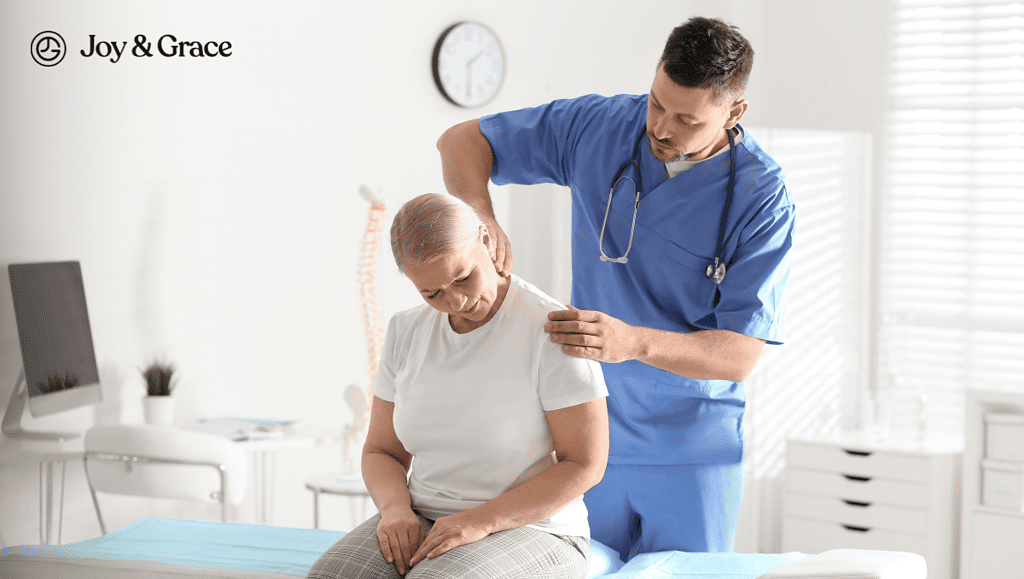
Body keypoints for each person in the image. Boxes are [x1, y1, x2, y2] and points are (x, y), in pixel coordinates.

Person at [436, 16, 795, 559]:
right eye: (656, 102)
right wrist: (481, 215)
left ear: (733, 112)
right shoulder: (600, 126)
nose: (662, 128)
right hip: (586, 438)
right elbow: (461, 141)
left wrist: (635, 343)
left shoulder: (761, 200)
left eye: (686, 118)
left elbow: (739, 354)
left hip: (691, 451)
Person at [306, 193, 609, 579]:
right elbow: (382, 451)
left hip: (534, 528)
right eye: (432, 294)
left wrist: (481, 520)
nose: (457, 301)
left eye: (464, 278)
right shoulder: (405, 331)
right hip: (424, 515)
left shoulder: (551, 329)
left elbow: (585, 464)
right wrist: (396, 510)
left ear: (485, 239)